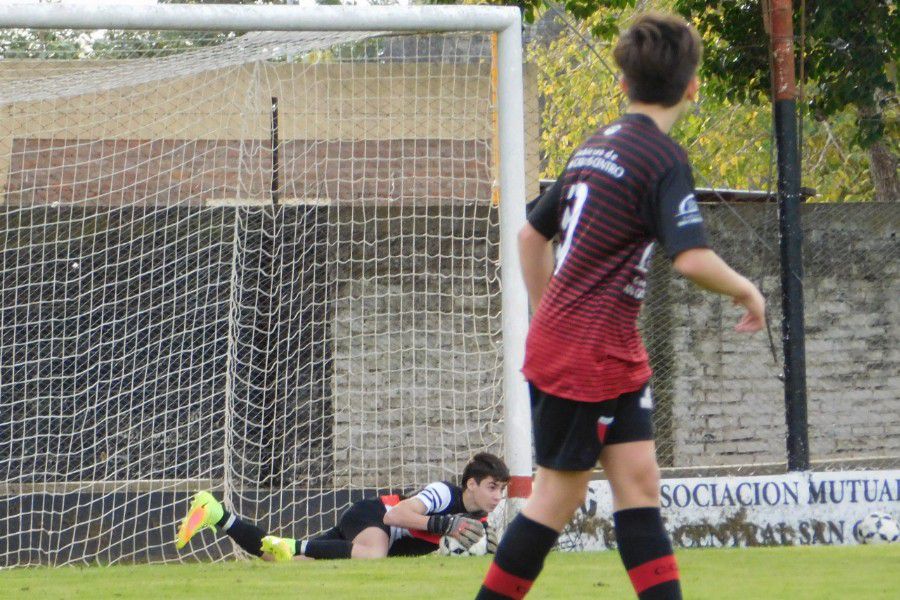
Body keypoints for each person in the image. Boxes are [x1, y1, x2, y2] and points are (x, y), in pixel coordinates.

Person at [476, 12, 766, 600]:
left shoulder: (594, 147)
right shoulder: (661, 159)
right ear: (692, 86)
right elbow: (689, 257)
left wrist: (547, 307)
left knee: (639, 486)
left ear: (623, 84)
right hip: (586, 354)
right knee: (559, 496)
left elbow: (533, 237)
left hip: (605, 350)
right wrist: (746, 288)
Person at [175, 452, 509, 560]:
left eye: (502, 490)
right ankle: (293, 544)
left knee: (282, 559)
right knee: (373, 555)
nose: (497, 496)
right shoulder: (442, 493)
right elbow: (396, 514)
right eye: (492, 487)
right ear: (471, 484)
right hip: (372, 516)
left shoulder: (476, 520)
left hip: (360, 541)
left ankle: (215, 513)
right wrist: (445, 525)